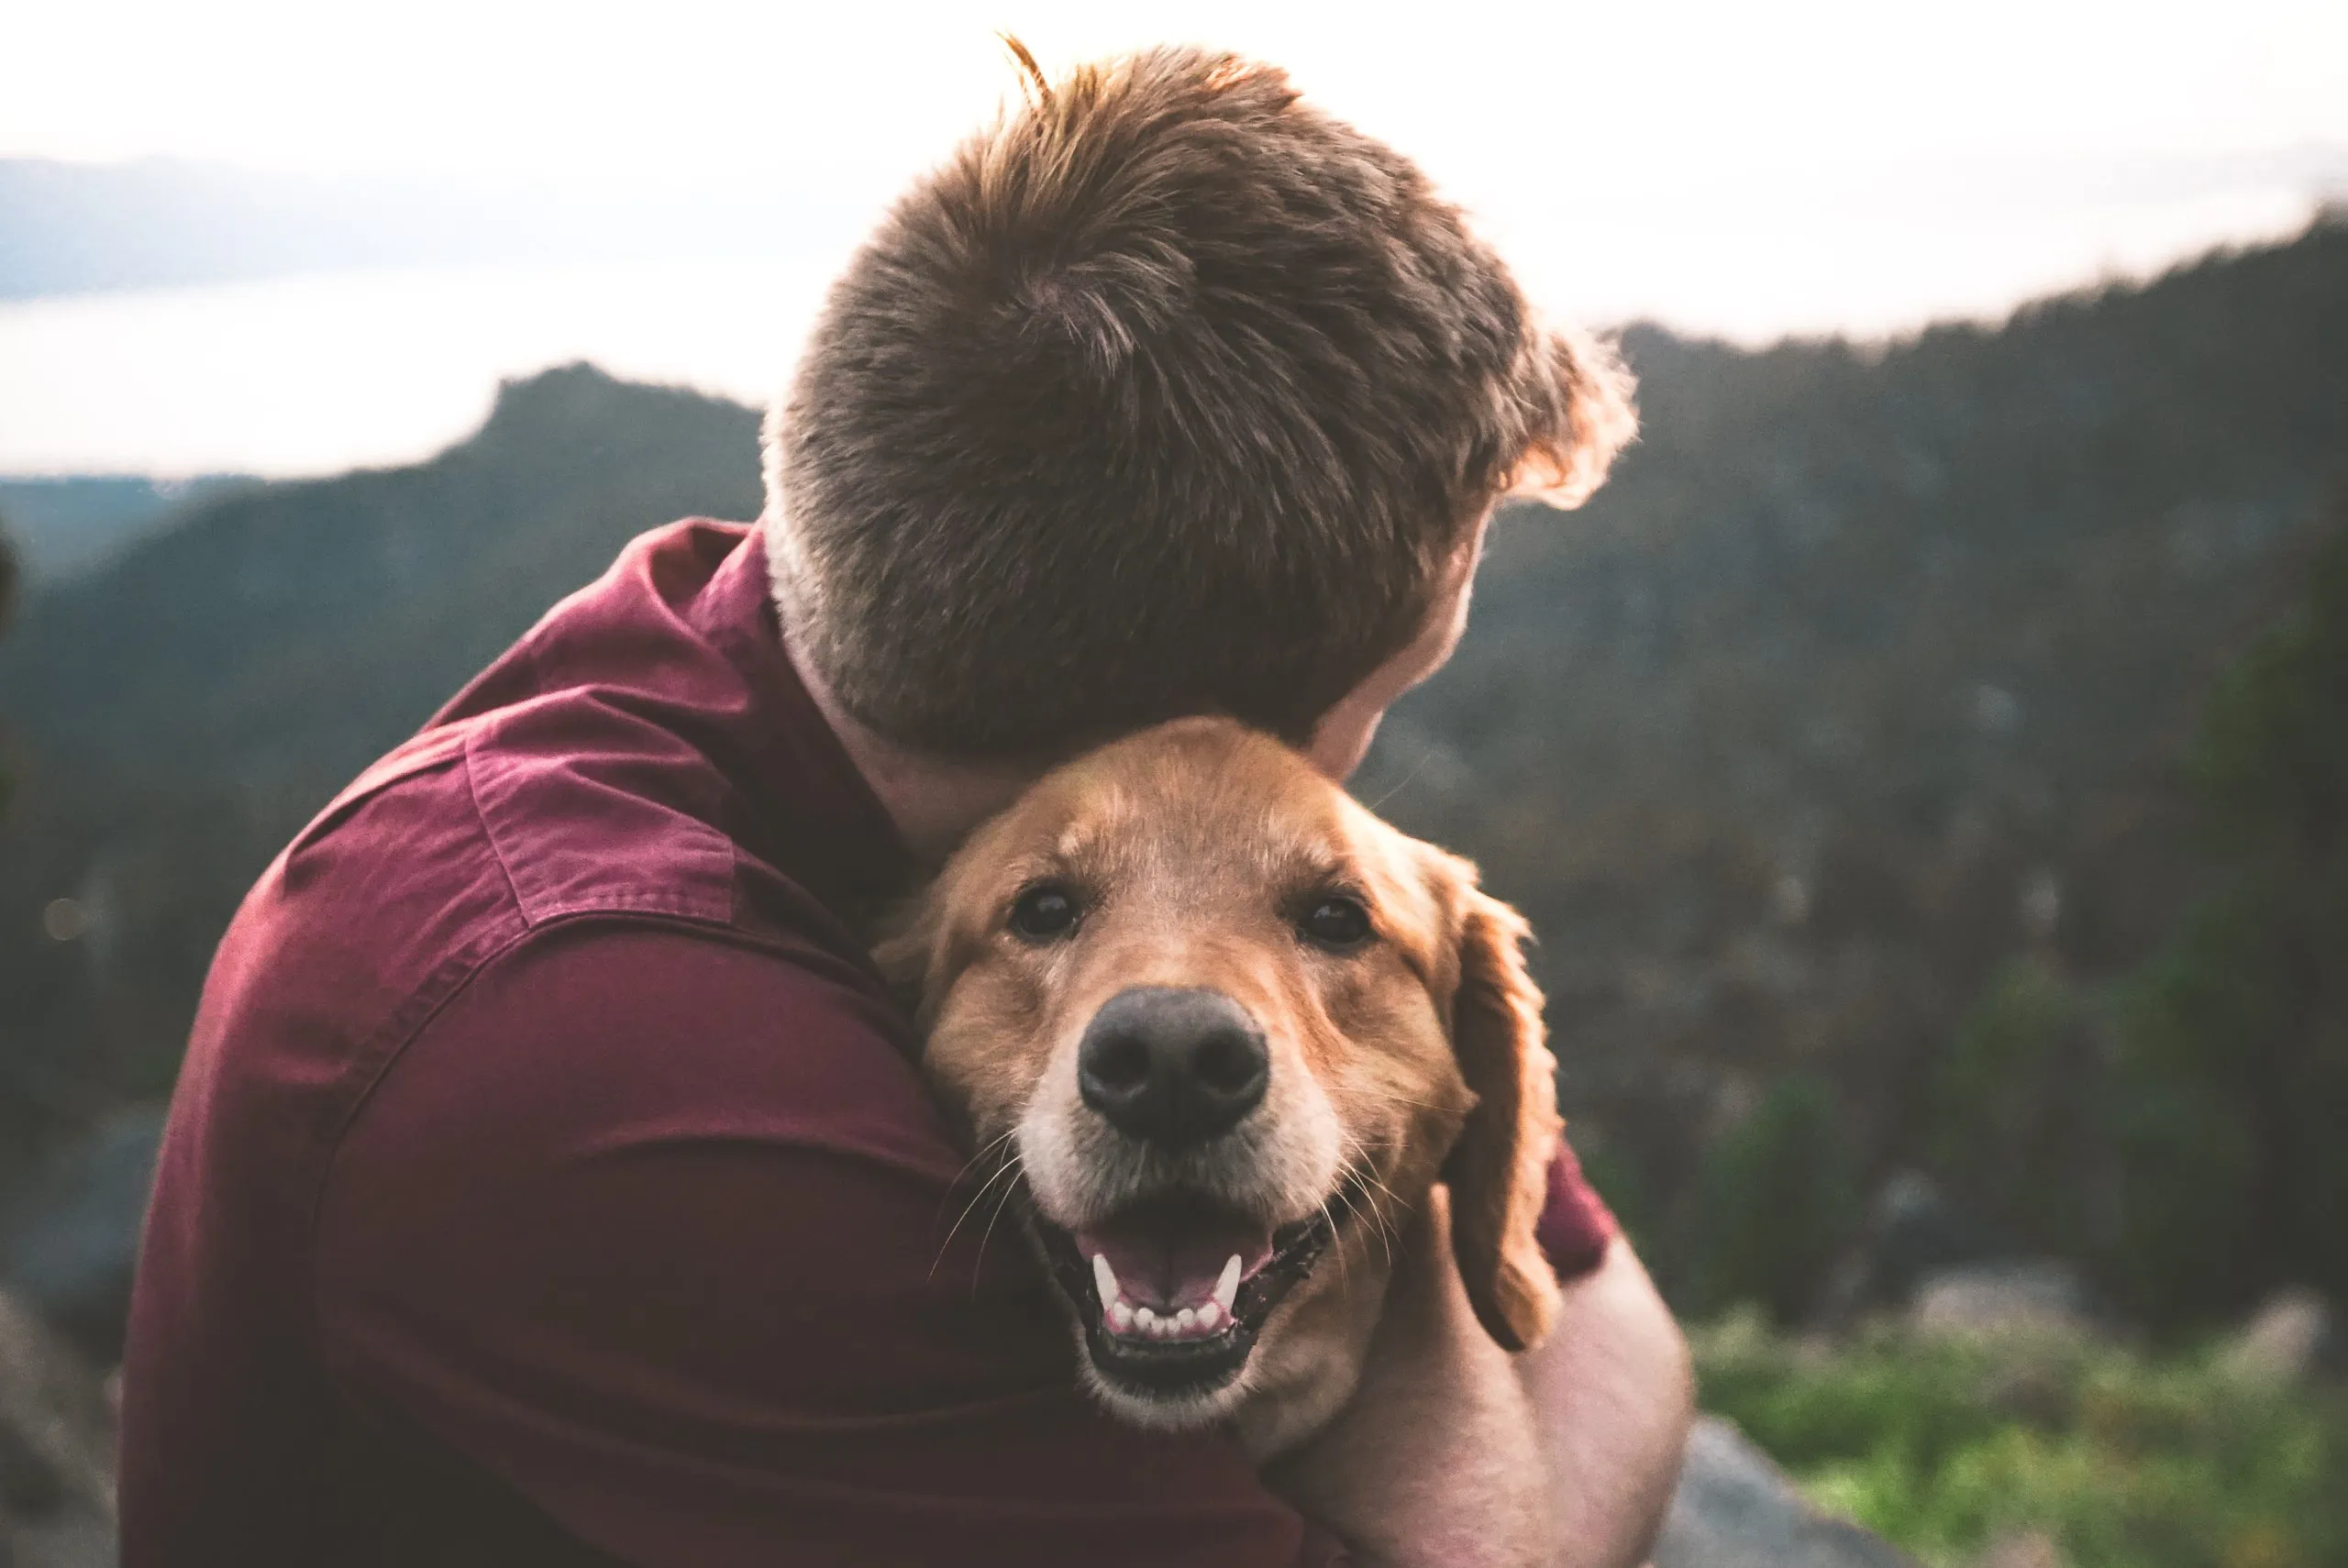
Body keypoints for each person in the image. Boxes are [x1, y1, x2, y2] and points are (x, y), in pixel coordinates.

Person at [118, 44, 1690, 1567]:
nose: (1323, 793)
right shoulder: (602, 1059)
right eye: (1385, 698)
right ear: (1183, 734)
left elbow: (1607, 1313)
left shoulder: (811, 642)